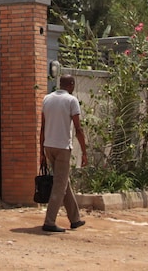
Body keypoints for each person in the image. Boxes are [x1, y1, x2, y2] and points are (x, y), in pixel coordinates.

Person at [39, 73, 88, 233]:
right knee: (59, 185)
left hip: (48, 146)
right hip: (62, 148)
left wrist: (41, 152)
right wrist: (84, 152)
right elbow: (78, 128)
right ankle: (49, 222)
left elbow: (42, 127)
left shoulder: (47, 99)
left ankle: (75, 219)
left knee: (63, 181)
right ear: (71, 84)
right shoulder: (71, 100)